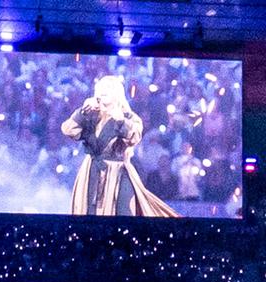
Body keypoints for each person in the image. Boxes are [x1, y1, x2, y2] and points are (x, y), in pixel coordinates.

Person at [60, 76, 178, 218]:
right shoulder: (90, 115)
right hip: (91, 170)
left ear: (116, 93)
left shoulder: (129, 117)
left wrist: (120, 121)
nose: (104, 91)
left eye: (108, 88)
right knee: (89, 212)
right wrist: (82, 112)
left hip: (118, 171)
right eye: (101, 88)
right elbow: (68, 130)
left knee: (124, 211)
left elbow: (134, 136)